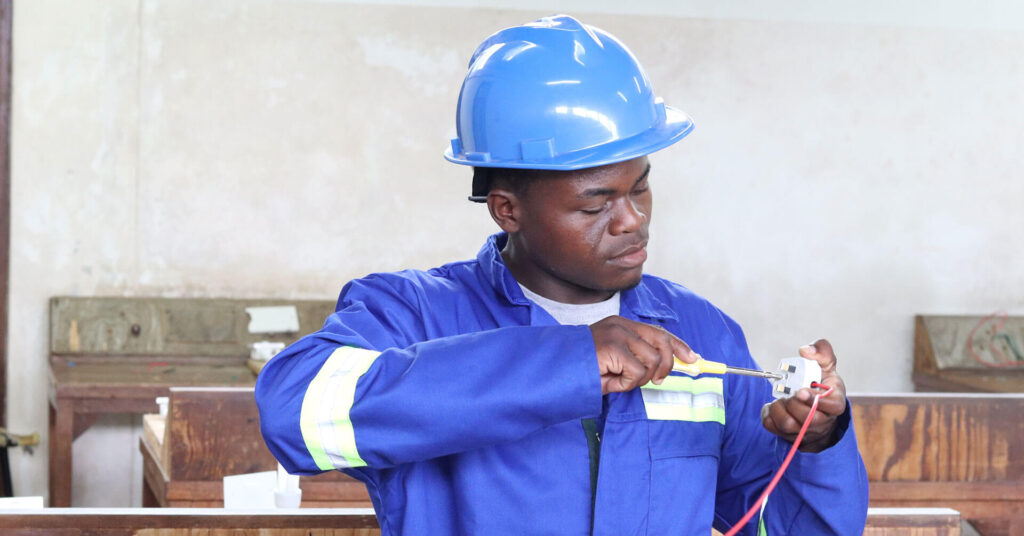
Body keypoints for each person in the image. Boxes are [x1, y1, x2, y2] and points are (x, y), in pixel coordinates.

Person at [255, 14, 869, 535]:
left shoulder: (701, 332)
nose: (632, 221)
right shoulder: (413, 314)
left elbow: (786, 526)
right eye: (596, 203)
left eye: (642, 186)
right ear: (508, 209)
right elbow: (293, 415)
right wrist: (566, 361)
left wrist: (816, 447)